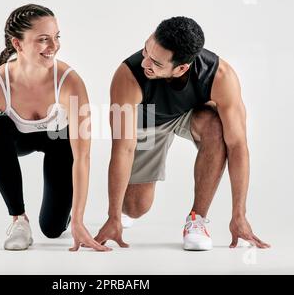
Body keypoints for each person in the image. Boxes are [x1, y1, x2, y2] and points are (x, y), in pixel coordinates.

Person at [0, 4, 110, 252]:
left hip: (59, 143)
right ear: (17, 44)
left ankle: (66, 218)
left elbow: (82, 156)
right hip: (15, 140)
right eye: (43, 40)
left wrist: (79, 221)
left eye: (56, 37)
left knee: (52, 228)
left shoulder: (70, 81)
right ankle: (19, 220)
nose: (54, 46)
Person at [95, 16, 270, 251]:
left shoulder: (220, 76)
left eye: (156, 63)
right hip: (148, 122)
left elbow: (238, 145)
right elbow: (123, 148)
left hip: (190, 114)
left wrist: (239, 214)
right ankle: (125, 213)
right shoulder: (128, 76)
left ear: (181, 68)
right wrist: (113, 215)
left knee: (216, 126)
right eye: (146, 49)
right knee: (136, 207)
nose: (145, 62)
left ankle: (197, 221)